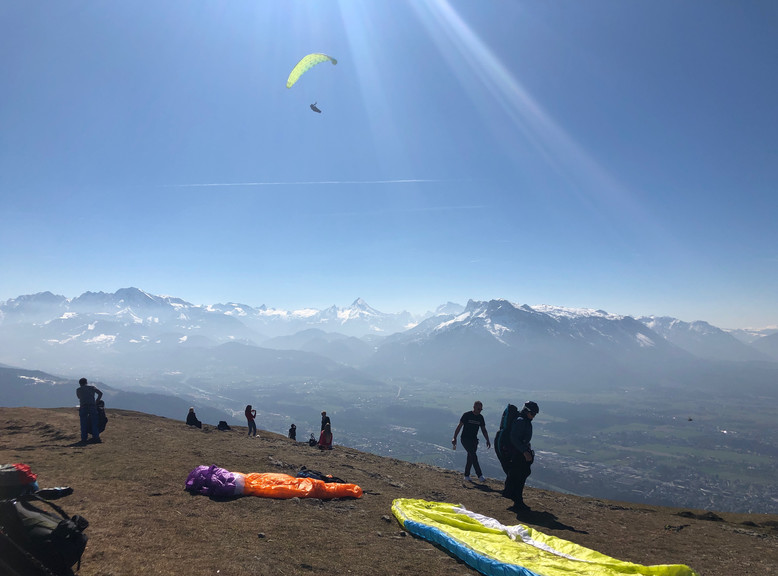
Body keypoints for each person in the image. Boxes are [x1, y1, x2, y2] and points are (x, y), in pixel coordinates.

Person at [505, 401, 539, 512]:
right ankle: (517, 501)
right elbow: (514, 438)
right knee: (519, 477)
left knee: (521, 476)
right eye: (533, 414)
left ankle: (517, 500)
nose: (533, 416)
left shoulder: (525, 421)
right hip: (518, 454)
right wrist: (524, 451)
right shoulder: (521, 421)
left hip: (520, 452)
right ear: (526, 411)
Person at [452, 401, 491, 482]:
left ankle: (466, 476)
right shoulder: (466, 415)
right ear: (474, 407)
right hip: (465, 439)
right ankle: (480, 475)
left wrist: (487, 440)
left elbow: (483, 430)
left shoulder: (480, 417)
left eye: (481, 409)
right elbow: (459, 426)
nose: (480, 410)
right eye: (478, 408)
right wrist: (454, 437)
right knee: (473, 455)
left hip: (474, 440)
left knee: (470, 457)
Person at [76, 377, 103, 444]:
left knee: (83, 423)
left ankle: (84, 438)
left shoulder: (78, 389)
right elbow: (100, 393)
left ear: (80, 384)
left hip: (83, 406)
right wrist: (97, 401)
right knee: (94, 422)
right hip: (92, 406)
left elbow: (79, 397)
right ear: (86, 382)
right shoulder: (92, 387)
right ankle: (96, 437)